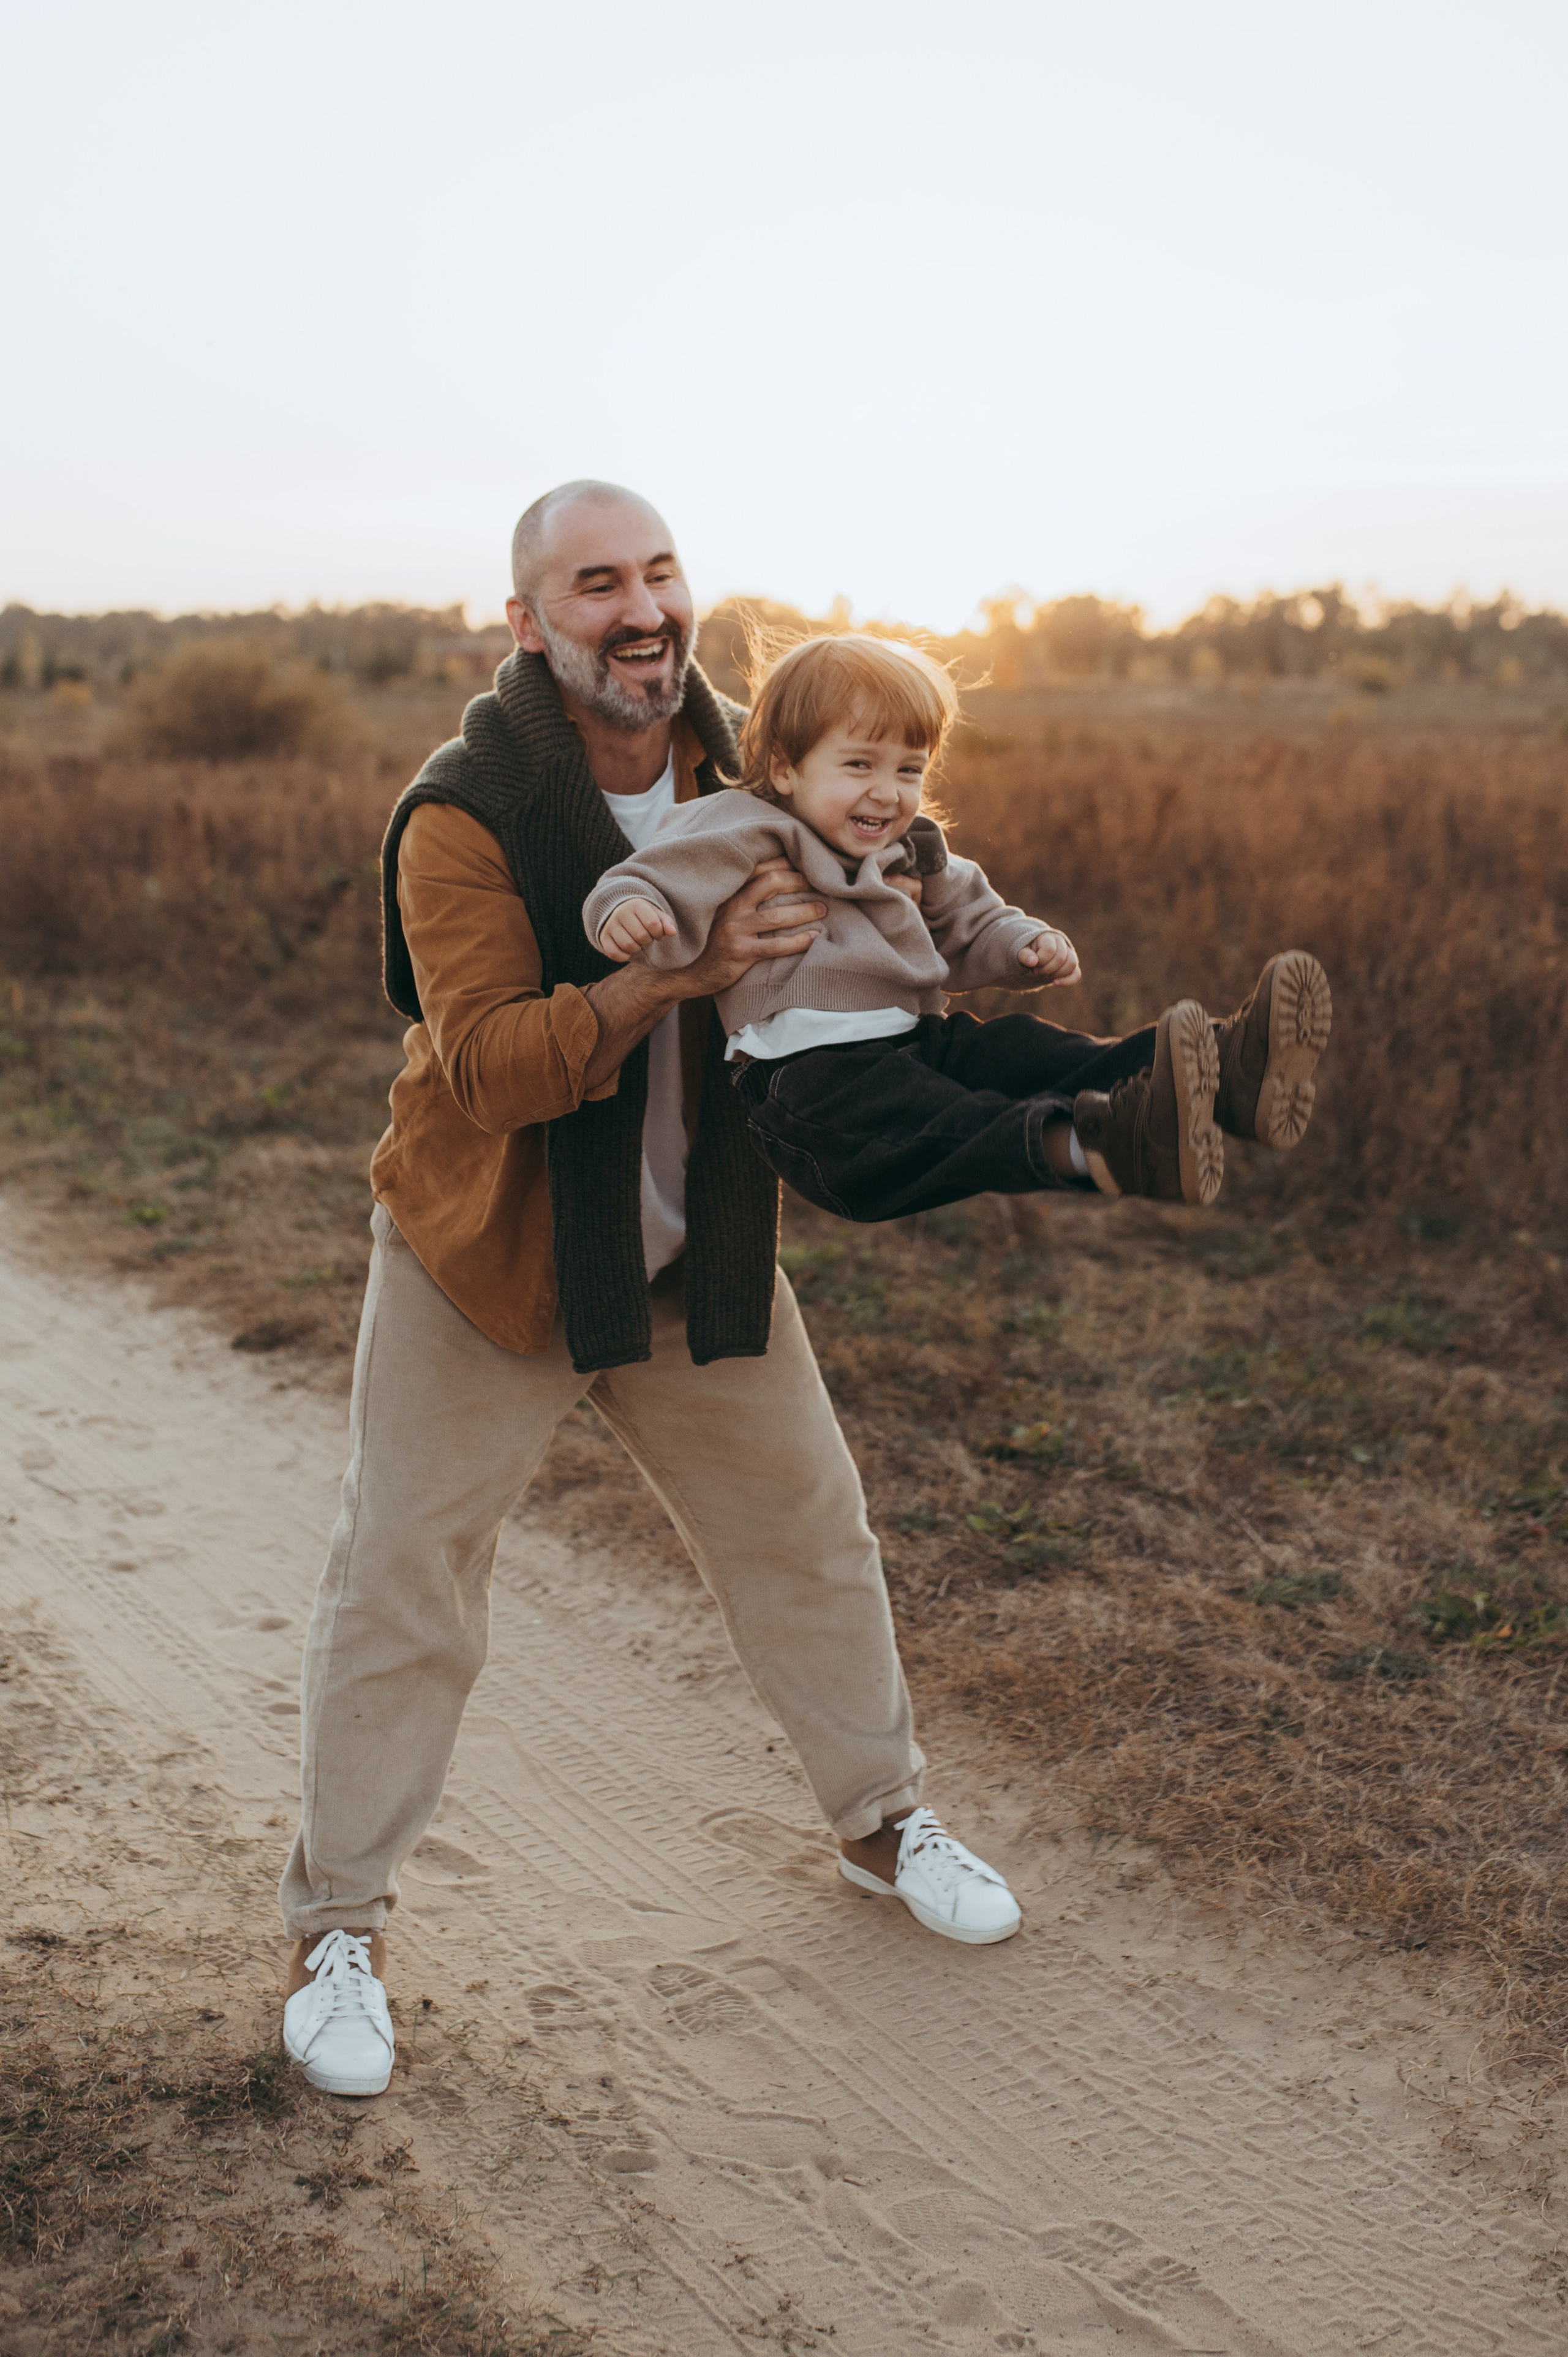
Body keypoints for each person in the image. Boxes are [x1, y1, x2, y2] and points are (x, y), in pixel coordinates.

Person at [280, 482, 1023, 2104]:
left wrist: (1005, 963)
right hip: (495, 1253)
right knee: (407, 1577)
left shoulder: (764, 756)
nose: (641, 608)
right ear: (529, 621)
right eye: (595, 582)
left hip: (701, 1247)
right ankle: (336, 1928)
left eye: (662, 572)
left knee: (811, 1531)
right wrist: (676, 973)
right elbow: (486, 1066)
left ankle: (883, 1825)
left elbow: (924, 867)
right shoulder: (464, 811)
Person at [583, 631, 1333, 1221]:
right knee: (953, 1121)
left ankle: (1228, 1073)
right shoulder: (744, 825)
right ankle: (1106, 1141)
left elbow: (972, 917)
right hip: (810, 1090)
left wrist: (1022, 943)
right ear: (784, 767)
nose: (887, 792)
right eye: (859, 765)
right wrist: (626, 911)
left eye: (909, 770)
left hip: (917, 1041)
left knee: (1027, 1052)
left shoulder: (911, 849)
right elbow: (653, 873)